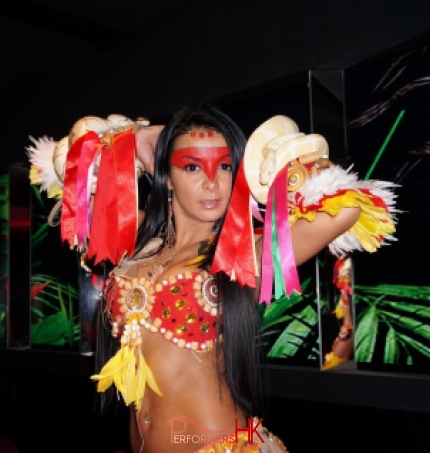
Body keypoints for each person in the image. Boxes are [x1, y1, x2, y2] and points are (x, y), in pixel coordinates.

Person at [27, 102, 397, 453]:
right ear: (166, 177)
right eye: (191, 166)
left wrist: (286, 167)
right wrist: (139, 142)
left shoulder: (242, 253)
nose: (211, 182)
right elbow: (75, 194)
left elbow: (349, 207)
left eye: (223, 166)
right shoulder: (135, 239)